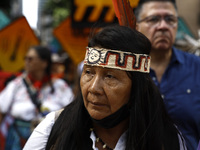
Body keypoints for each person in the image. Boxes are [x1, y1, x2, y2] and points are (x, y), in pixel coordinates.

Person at [23, 25, 186, 150]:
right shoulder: (53, 129)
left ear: (137, 88)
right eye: (89, 73)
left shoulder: (166, 139)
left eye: (110, 76)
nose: (93, 88)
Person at [134, 0, 200, 150]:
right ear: (137, 26)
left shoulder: (197, 68)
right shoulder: (127, 71)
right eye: (153, 19)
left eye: (170, 19)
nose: (163, 26)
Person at [0, 45, 74, 150]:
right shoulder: (16, 85)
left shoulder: (60, 86)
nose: (26, 61)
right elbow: (1, 110)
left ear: (44, 63)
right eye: (25, 58)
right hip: (17, 139)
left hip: (50, 140)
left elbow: (72, 113)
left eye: (30, 58)